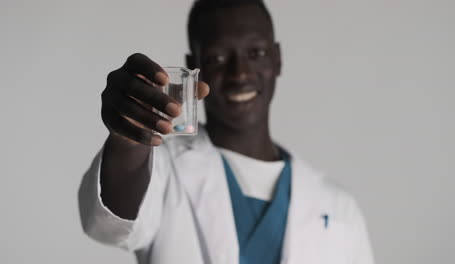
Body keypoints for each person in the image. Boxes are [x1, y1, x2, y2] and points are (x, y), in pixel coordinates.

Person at [78, 0, 375, 263]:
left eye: (256, 53)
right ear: (193, 67)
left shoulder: (338, 207)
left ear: (277, 59)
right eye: (217, 58)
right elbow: (107, 225)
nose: (240, 74)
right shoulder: (162, 169)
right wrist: (128, 137)